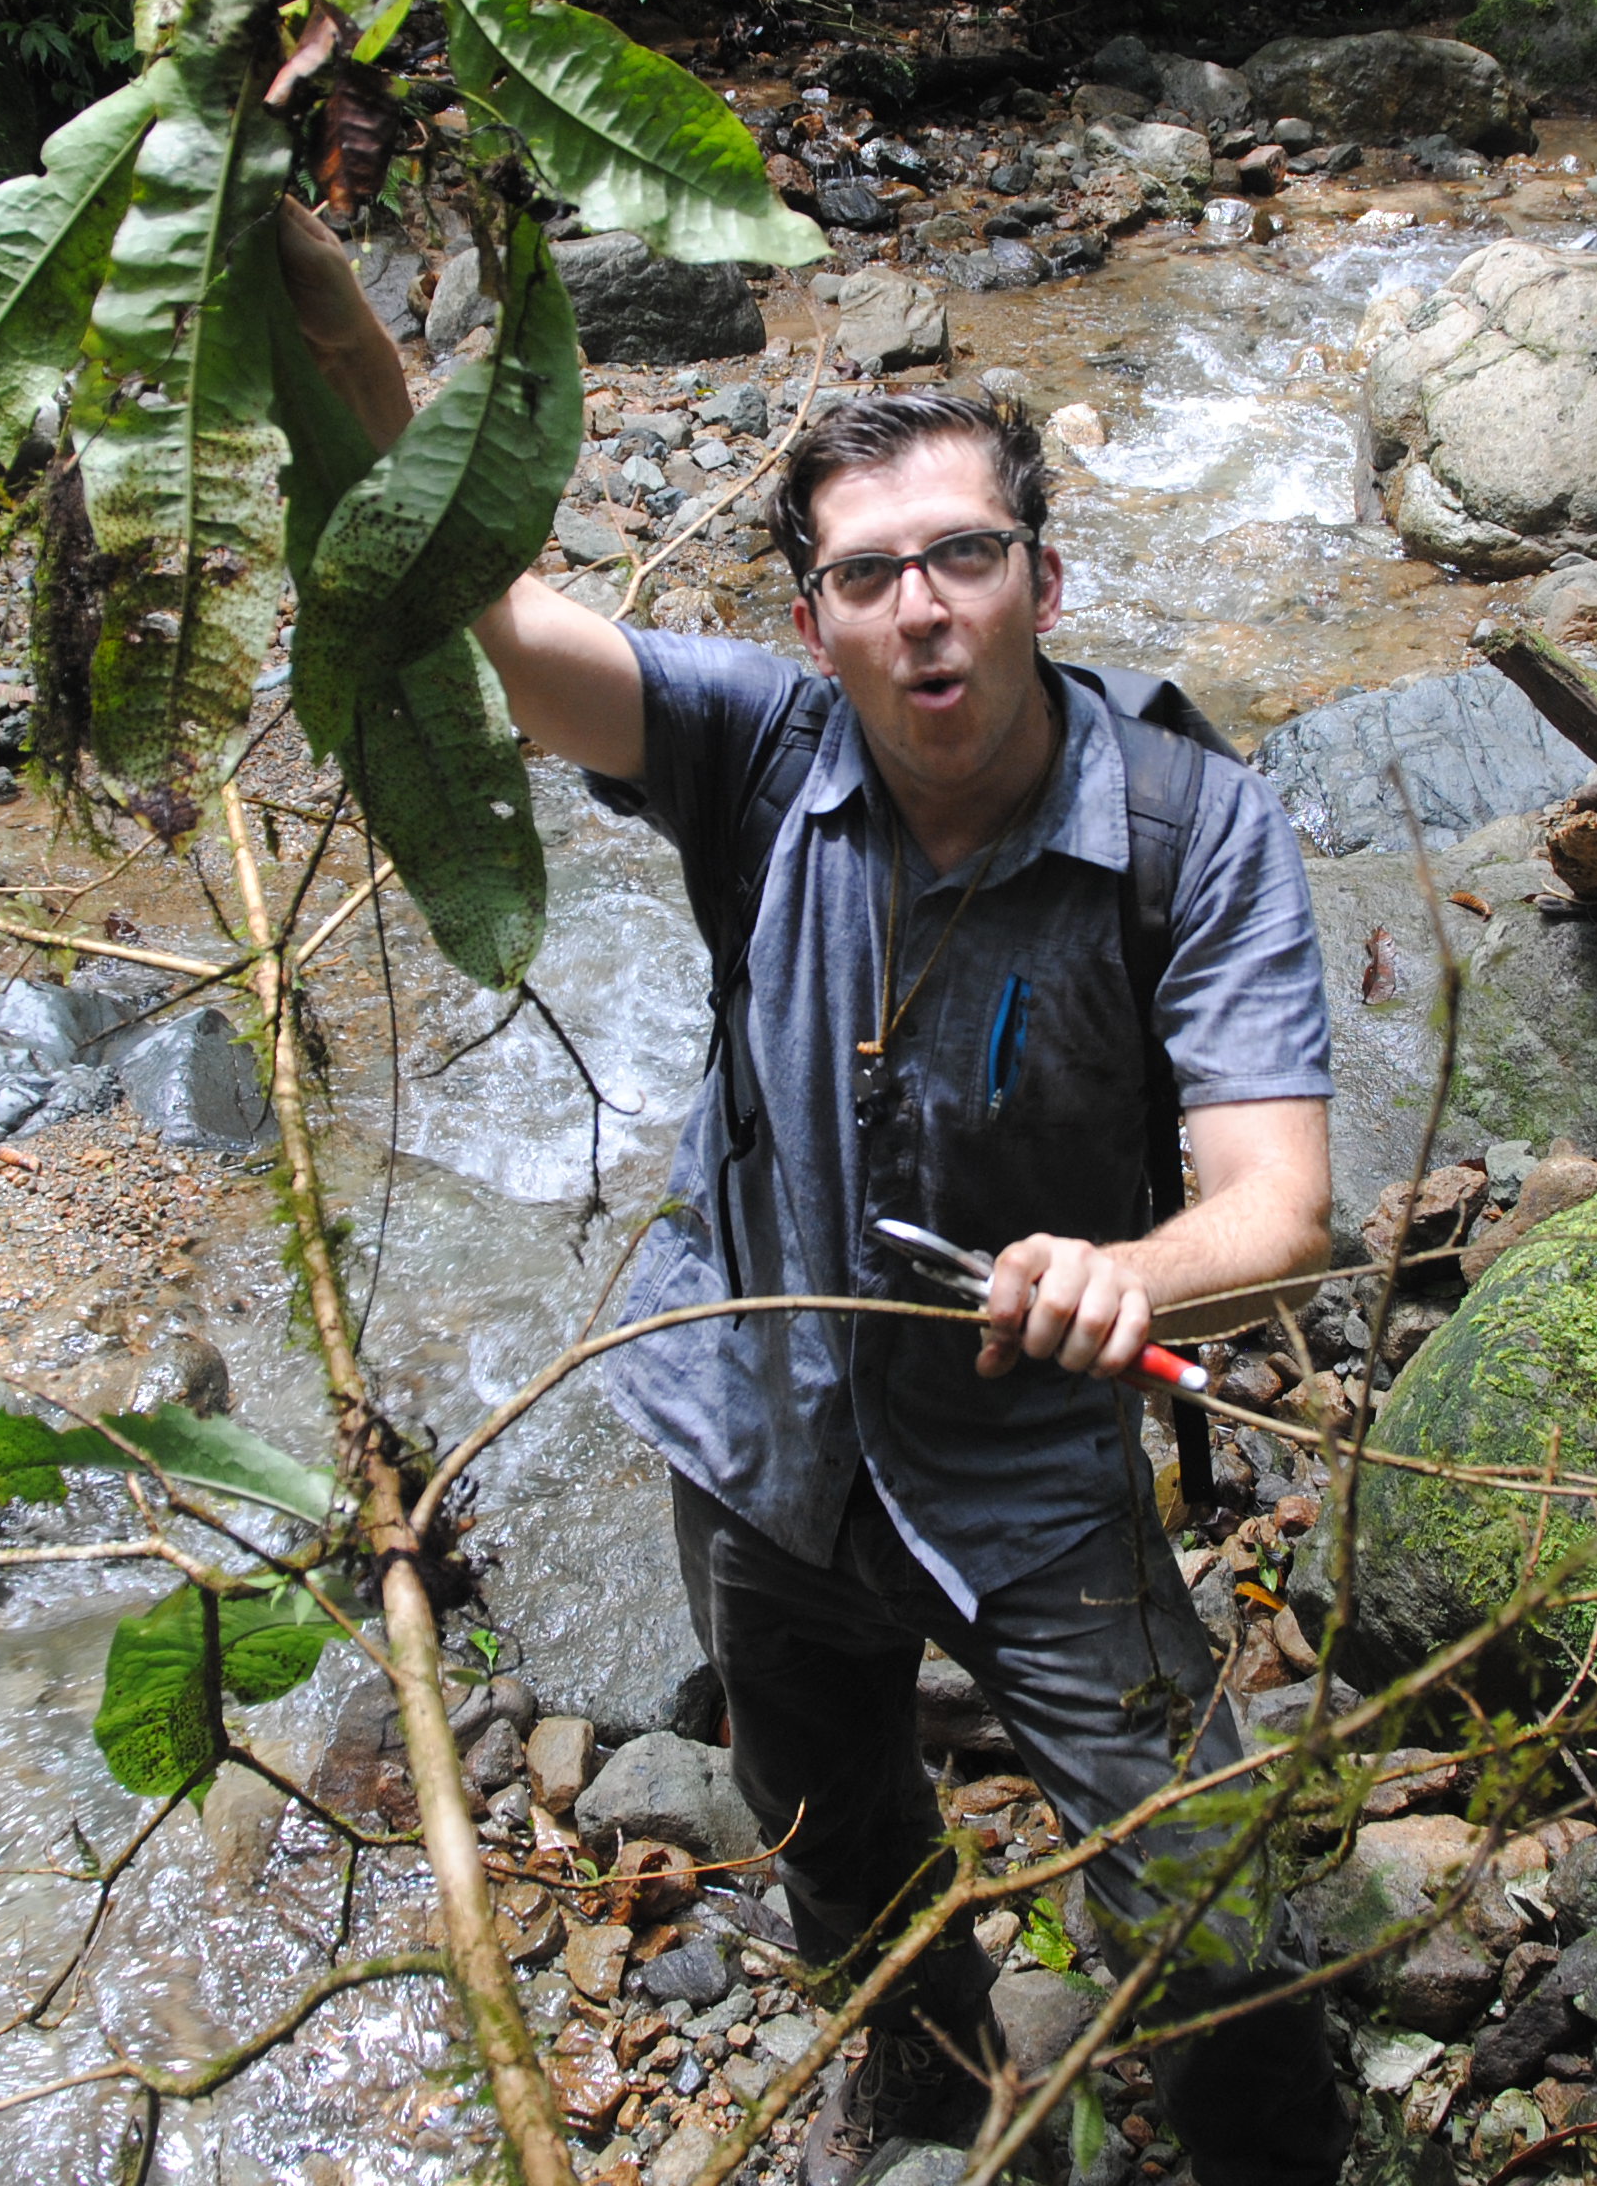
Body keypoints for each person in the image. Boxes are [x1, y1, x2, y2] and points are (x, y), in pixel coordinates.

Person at [472, 384, 1353, 2186]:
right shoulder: (760, 751)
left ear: (1043, 577)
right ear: (812, 620)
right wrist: (333, 319)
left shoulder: (1190, 828)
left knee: (1213, 1910)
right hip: (757, 1445)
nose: (922, 607)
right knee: (836, 1841)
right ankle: (941, 2106)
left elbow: (1280, 1211)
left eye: (966, 554)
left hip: (1030, 1470)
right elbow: (500, 614)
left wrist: (1126, 1275)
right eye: (869, 573)